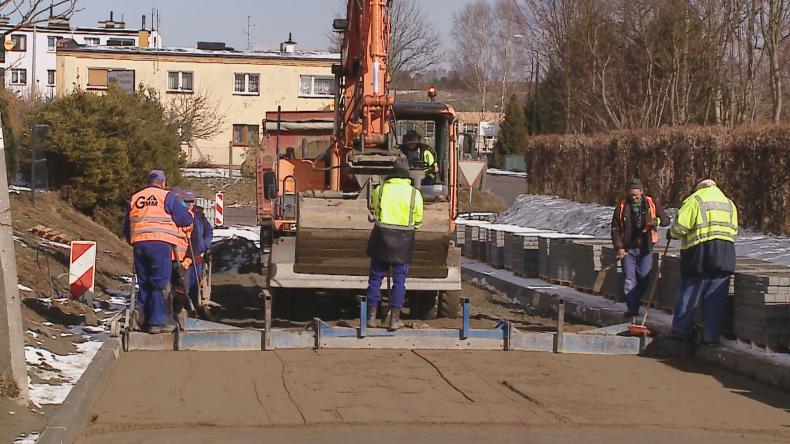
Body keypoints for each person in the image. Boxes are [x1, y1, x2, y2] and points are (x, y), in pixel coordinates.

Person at [668, 179, 738, 347]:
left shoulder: (695, 200)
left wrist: (671, 234)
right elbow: (734, 229)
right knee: (715, 298)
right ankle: (710, 337)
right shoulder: (729, 203)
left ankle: (680, 331)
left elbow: (681, 227)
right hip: (725, 254)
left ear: (698, 187)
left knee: (689, 294)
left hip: (699, 254)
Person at [123, 170, 193, 334]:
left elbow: (127, 227)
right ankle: (157, 322)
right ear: (163, 183)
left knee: (144, 282)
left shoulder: (136, 197)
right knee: (159, 282)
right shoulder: (167, 197)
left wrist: (134, 240)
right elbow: (184, 219)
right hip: (160, 244)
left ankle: (143, 320)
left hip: (140, 245)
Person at [365, 157, 424, 330]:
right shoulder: (415, 194)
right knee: (399, 280)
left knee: (375, 279)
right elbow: (418, 219)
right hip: (404, 241)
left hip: (381, 239)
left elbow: (374, 209)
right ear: (407, 174)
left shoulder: (380, 190)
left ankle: (371, 317)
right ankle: (394, 318)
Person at [611, 178, 670, 318]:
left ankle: (635, 299)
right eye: (631, 195)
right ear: (627, 193)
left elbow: (666, 220)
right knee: (629, 279)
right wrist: (619, 247)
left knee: (644, 277)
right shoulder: (621, 207)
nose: (634, 198)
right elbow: (615, 229)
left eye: (636, 195)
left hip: (646, 248)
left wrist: (657, 221)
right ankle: (632, 309)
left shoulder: (651, 204)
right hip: (628, 250)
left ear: (642, 192)